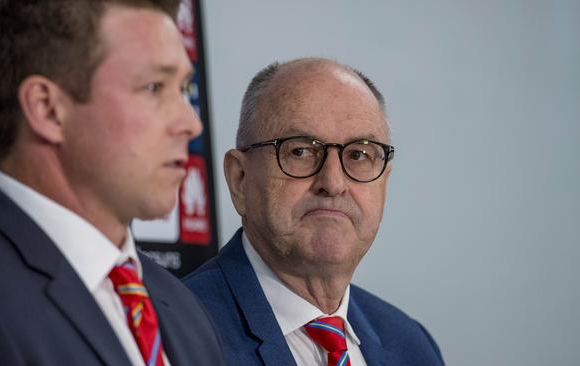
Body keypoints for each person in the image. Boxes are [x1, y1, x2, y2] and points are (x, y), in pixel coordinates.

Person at [0, 1, 225, 365]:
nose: (191, 123)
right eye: (154, 87)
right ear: (47, 109)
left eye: (183, 88)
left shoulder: (185, 307)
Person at [184, 58, 445, 365]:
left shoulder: (412, 345)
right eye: (300, 151)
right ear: (240, 179)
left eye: (359, 155)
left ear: (384, 182)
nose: (333, 183)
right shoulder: (178, 332)